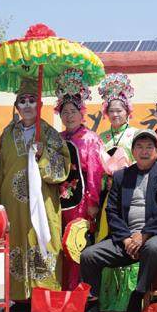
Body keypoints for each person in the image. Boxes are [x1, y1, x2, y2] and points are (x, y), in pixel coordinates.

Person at [80, 129, 157, 312]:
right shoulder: (121, 176)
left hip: (155, 235)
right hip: (126, 240)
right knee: (89, 255)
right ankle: (93, 305)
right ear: (133, 151)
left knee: (153, 247)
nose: (144, 151)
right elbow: (112, 211)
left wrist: (144, 235)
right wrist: (126, 238)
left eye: (149, 147)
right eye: (139, 147)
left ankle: (138, 295)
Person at [0, 79, 71, 312]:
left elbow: (63, 168)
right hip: (14, 204)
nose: (27, 105)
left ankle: (44, 297)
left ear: (40, 105)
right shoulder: (7, 134)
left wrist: (44, 154)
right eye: (22, 101)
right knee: (16, 245)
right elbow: (2, 171)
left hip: (42, 202)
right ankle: (19, 298)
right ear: (16, 106)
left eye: (32, 100)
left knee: (43, 244)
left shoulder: (50, 134)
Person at [55, 69, 105, 290]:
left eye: (73, 111)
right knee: (59, 244)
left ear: (82, 112)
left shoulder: (90, 139)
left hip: (82, 202)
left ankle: (78, 292)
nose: (69, 116)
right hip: (59, 202)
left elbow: (95, 173)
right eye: (64, 112)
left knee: (76, 243)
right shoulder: (57, 138)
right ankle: (61, 289)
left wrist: (93, 203)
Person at [95, 73, 139, 243]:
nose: (115, 114)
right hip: (107, 190)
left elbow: (140, 161)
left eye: (119, 110)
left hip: (130, 188)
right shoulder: (101, 137)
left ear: (127, 111)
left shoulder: (135, 134)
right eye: (111, 111)